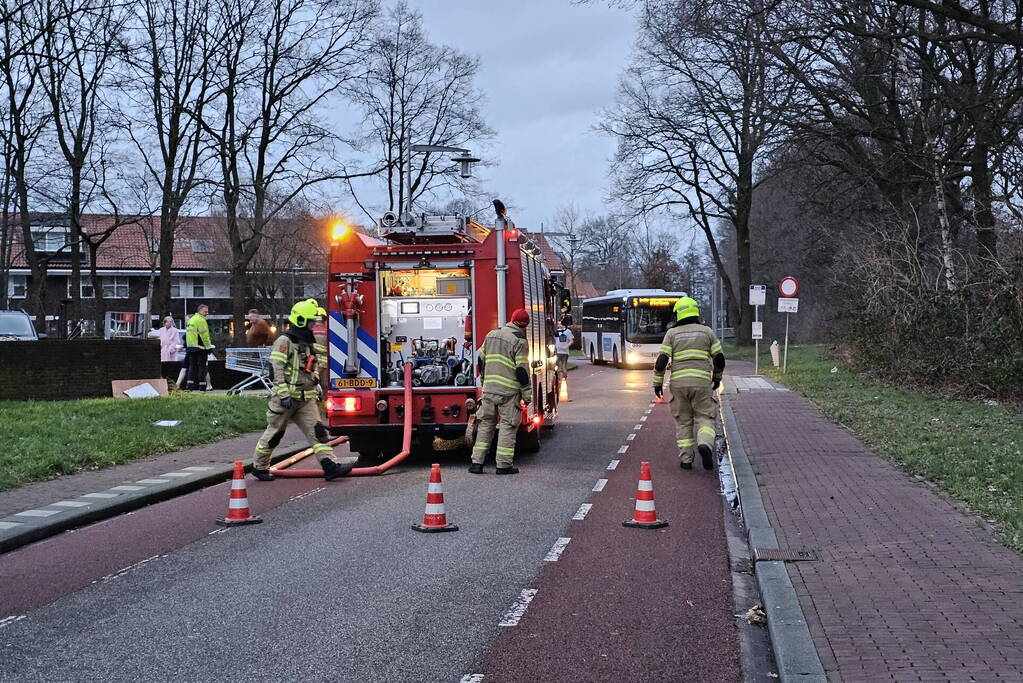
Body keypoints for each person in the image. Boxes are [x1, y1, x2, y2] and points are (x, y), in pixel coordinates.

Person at [250, 299, 350, 482]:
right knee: (274, 433)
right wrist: (283, 393)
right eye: (311, 321)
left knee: (318, 433)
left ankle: (330, 466)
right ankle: (259, 466)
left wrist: (316, 383)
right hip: (286, 400)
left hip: (305, 399)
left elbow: (311, 366)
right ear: (302, 321)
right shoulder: (284, 341)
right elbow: (276, 368)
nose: (314, 325)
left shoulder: (307, 342)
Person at [652, 297, 725, 470]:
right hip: (701, 383)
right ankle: (705, 445)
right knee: (705, 417)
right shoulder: (707, 332)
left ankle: (686, 460)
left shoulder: (672, 333)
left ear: (678, 313)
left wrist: (657, 384)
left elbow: (661, 361)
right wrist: (717, 378)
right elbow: (719, 359)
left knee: (683, 421)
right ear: (696, 312)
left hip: (679, 385)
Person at [469, 308, 532, 475]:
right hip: (508, 393)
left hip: (489, 390)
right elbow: (521, 370)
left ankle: (477, 463)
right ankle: (503, 465)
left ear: (511, 319)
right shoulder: (520, 341)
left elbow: (481, 359)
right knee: (507, 426)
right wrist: (526, 395)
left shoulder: (491, 334)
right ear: (525, 325)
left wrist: (484, 383)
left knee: (485, 425)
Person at [184, 304, 214, 391]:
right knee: (202, 367)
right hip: (200, 348)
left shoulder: (191, 319)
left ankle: (189, 386)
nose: (207, 313)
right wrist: (209, 348)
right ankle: (202, 386)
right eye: (205, 311)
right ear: (200, 310)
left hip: (191, 348)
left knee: (192, 367)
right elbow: (205, 336)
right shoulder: (201, 320)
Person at [151, 316, 183, 383]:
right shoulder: (161, 330)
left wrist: (171, 349)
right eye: (168, 321)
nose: (170, 323)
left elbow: (177, 342)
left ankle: (171, 381)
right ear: (165, 322)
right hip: (163, 352)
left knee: (171, 368)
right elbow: (155, 336)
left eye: (171, 321)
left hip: (171, 353)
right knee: (163, 367)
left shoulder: (175, 331)